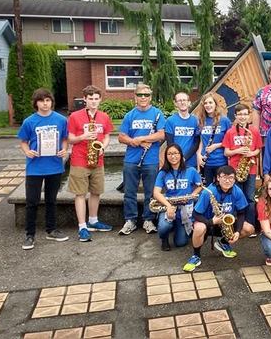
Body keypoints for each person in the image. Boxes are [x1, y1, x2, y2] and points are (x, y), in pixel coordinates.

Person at [18, 88, 69, 250]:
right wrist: (27, 151)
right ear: (36, 103)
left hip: (54, 166)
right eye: (41, 101)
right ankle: (30, 235)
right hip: (35, 168)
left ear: (51, 102)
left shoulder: (61, 120)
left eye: (47, 100)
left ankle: (51, 230)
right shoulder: (29, 122)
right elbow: (23, 141)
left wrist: (64, 149)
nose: (45, 104)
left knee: (51, 200)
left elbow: (65, 139)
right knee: (31, 202)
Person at [183, 166, 255, 272]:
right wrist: (211, 222)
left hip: (225, 224)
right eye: (224, 177)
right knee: (199, 228)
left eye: (231, 178)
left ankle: (223, 243)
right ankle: (196, 256)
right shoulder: (208, 192)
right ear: (218, 178)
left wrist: (238, 232)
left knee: (249, 228)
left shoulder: (237, 191)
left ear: (235, 179)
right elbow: (195, 214)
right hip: (208, 223)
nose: (227, 180)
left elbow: (241, 213)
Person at [117, 83, 166, 235]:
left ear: (150, 97)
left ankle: (148, 220)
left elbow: (161, 134)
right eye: (140, 95)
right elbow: (121, 137)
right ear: (135, 97)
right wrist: (134, 141)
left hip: (151, 160)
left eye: (146, 95)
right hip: (131, 160)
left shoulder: (157, 114)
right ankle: (130, 220)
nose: (143, 97)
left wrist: (143, 138)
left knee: (150, 192)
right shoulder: (130, 115)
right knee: (129, 192)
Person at [66, 85, 113, 242]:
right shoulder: (74, 116)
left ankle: (93, 220)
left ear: (100, 99)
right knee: (80, 193)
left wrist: (103, 147)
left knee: (96, 191)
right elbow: (70, 138)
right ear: (84, 99)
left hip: (97, 159)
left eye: (96, 99)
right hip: (80, 159)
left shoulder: (104, 117)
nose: (93, 102)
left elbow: (106, 136)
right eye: (90, 99)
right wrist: (83, 137)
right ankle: (82, 226)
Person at [153, 143, 202, 251]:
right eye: (169, 154)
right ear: (166, 156)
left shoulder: (191, 171)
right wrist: (168, 206)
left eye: (175, 153)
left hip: (185, 207)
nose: (173, 156)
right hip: (170, 205)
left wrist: (192, 195)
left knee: (181, 243)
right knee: (163, 227)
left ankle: (178, 226)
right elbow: (156, 193)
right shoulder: (163, 173)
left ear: (180, 155)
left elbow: (200, 186)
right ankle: (164, 238)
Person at [222, 104, 262, 232]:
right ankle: (238, 225)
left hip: (250, 169)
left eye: (245, 114)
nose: (243, 117)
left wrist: (251, 153)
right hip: (235, 169)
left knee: (250, 198)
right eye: (240, 114)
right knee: (237, 197)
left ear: (249, 115)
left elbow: (258, 150)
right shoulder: (230, 131)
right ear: (235, 116)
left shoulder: (254, 131)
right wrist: (238, 150)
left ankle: (250, 225)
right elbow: (226, 152)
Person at [196, 93, 232, 185]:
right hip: (206, 162)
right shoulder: (201, 120)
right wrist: (199, 155)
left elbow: (230, 140)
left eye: (210, 102)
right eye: (206, 103)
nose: (208, 105)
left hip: (220, 161)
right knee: (207, 189)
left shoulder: (224, 120)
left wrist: (217, 145)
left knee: (221, 188)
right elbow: (201, 140)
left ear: (215, 104)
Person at [164, 92, 200, 169]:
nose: (182, 102)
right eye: (179, 100)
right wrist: (177, 158)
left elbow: (196, 143)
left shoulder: (195, 121)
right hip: (175, 162)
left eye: (184, 100)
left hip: (191, 162)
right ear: (175, 103)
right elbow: (170, 143)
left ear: (189, 102)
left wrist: (185, 157)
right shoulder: (170, 121)